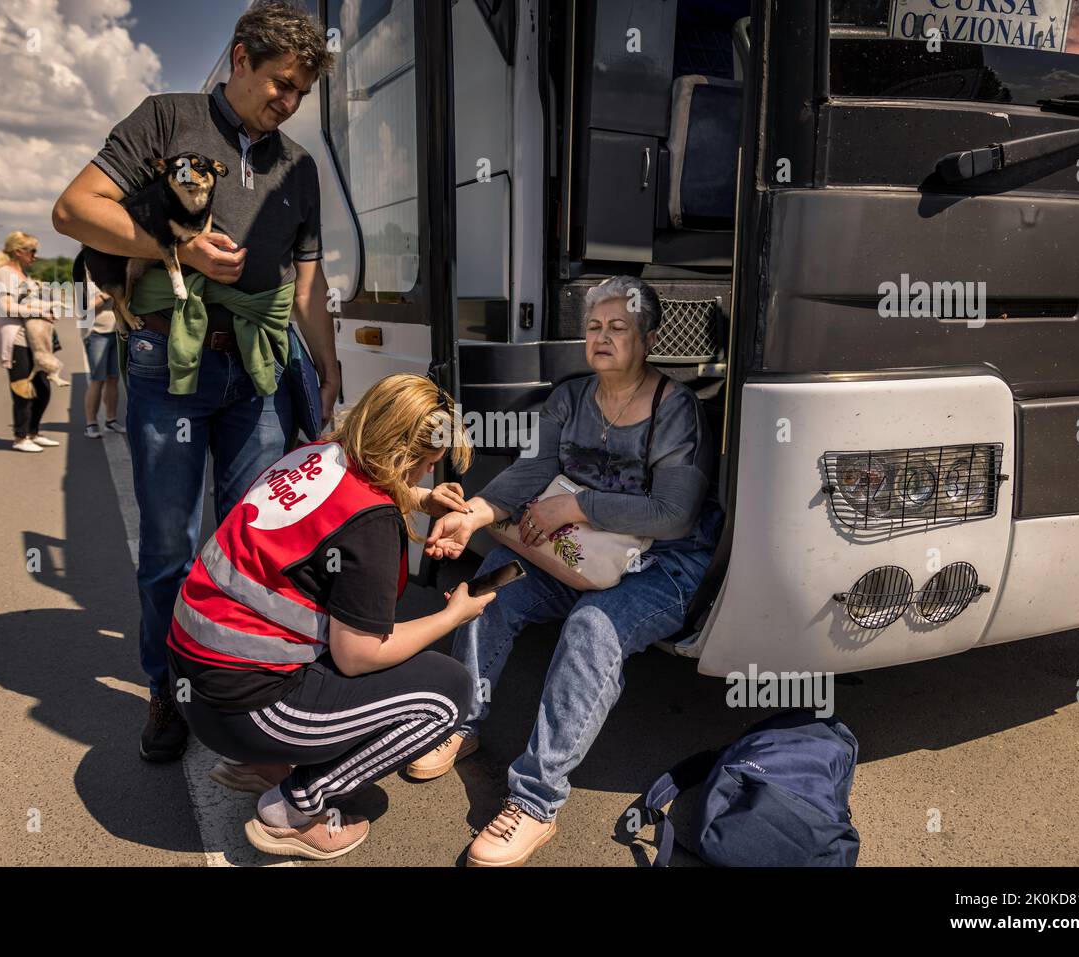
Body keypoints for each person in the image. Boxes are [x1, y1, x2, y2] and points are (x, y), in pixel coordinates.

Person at [52, 1, 342, 761]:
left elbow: (306, 284)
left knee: (253, 542)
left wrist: (330, 370)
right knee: (170, 547)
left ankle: (239, 681)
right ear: (241, 58)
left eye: (301, 93)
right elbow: (73, 209)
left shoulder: (299, 168)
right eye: (280, 83)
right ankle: (167, 686)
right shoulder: (165, 119)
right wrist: (177, 246)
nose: (288, 102)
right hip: (166, 368)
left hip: (257, 373)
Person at [419, 276, 720, 866]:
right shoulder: (571, 397)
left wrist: (576, 505)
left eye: (619, 328)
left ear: (649, 338)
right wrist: (475, 515)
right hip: (581, 550)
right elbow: (532, 475)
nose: (602, 338)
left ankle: (534, 802)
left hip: (663, 565)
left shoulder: (675, 407)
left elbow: (676, 514)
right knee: (493, 586)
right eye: (593, 327)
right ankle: (459, 720)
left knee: (591, 628)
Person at [169, 374, 492, 860]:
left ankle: (255, 761)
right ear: (404, 457)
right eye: (425, 466)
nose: (427, 476)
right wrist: (453, 616)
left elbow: (340, 510)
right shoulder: (372, 522)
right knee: (448, 695)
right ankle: (295, 811)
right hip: (245, 706)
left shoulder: (315, 455)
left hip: (197, 684)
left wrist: (417, 500)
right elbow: (360, 655)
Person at [0, 230, 60, 454]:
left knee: (43, 388)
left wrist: (44, 311)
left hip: (33, 340)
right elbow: (4, 306)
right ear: (19, 252)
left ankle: (33, 432)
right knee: (23, 389)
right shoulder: (4, 274)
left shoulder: (23, 276)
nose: (35, 256)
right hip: (17, 339)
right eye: (32, 251)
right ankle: (20, 437)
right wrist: (38, 309)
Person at [81, 283, 125, 438]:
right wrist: (105, 295)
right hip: (96, 334)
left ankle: (111, 420)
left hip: (116, 331)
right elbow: (82, 310)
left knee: (113, 379)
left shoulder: (109, 272)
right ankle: (91, 424)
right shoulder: (81, 276)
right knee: (97, 380)